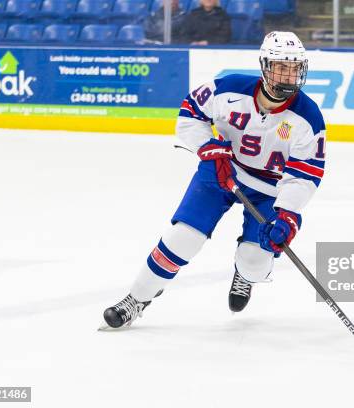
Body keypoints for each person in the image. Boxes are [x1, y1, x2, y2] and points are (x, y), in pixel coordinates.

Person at [102, 31, 326, 328]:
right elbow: (191, 110)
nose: (288, 75)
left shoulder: (308, 118)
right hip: (221, 171)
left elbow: (303, 173)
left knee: (255, 260)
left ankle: (245, 275)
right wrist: (206, 146)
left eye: (294, 68)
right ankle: (136, 298)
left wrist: (287, 214)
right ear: (264, 66)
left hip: (269, 189)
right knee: (183, 237)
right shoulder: (230, 89)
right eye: (280, 66)